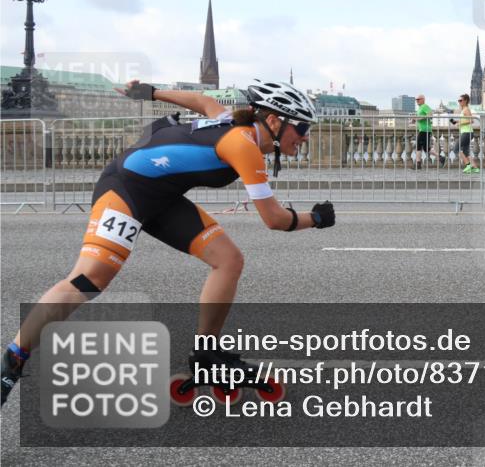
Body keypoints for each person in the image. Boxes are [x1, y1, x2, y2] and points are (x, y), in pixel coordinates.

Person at [0, 78, 336, 406]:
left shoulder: (230, 120)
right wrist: (317, 218)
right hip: (126, 189)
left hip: (163, 197)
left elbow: (203, 102)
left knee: (228, 260)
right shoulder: (243, 145)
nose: (305, 138)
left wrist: (150, 92)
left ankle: (207, 353)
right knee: (89, 280)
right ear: (275, 121)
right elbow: (274, 219)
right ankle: (12, 361)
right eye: (302, 129)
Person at [454, 94, 479, 174]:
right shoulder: (463, 110)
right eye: (458, 100)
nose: (459, 102)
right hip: (466, 132)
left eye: (460, 100)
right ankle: (475, 168)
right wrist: (456, 122)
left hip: (467, 132)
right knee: (466, 152)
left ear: (465, 101)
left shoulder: (466, 109)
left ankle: (468, 165)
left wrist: (460, 123)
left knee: (456, 149)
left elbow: (471, 120)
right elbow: (465, 120)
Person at [412, 94, 434, 169]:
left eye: (418, 99)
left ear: (423, 99)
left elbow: (430, 114)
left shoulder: (424, 106)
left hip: (425, 129)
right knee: (425, 148)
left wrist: (420, 118)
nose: (417, 101)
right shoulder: (420, 108)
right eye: (416, 100)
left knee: (418, 146)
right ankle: (441, 158)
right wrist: (414, 119)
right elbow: (420, 118)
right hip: (423, 129)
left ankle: (418, 165)